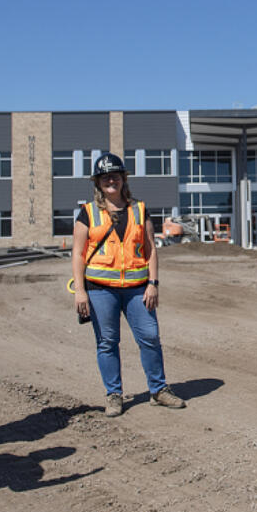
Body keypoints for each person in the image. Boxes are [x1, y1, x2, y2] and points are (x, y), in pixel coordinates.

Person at [71, 153, 186, 417]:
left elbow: (150, 249)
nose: (111, 180)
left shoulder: (139, 209)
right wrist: (80, 291)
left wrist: (153, 283)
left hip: (137, 288)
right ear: (98, 183)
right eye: (105, 177)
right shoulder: (87, 213)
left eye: (115, 175)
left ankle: (158, 390)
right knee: (107, 342)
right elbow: (77, 254)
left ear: (123, 179)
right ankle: (114, 395)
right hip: (100, 289)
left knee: (150, 337)